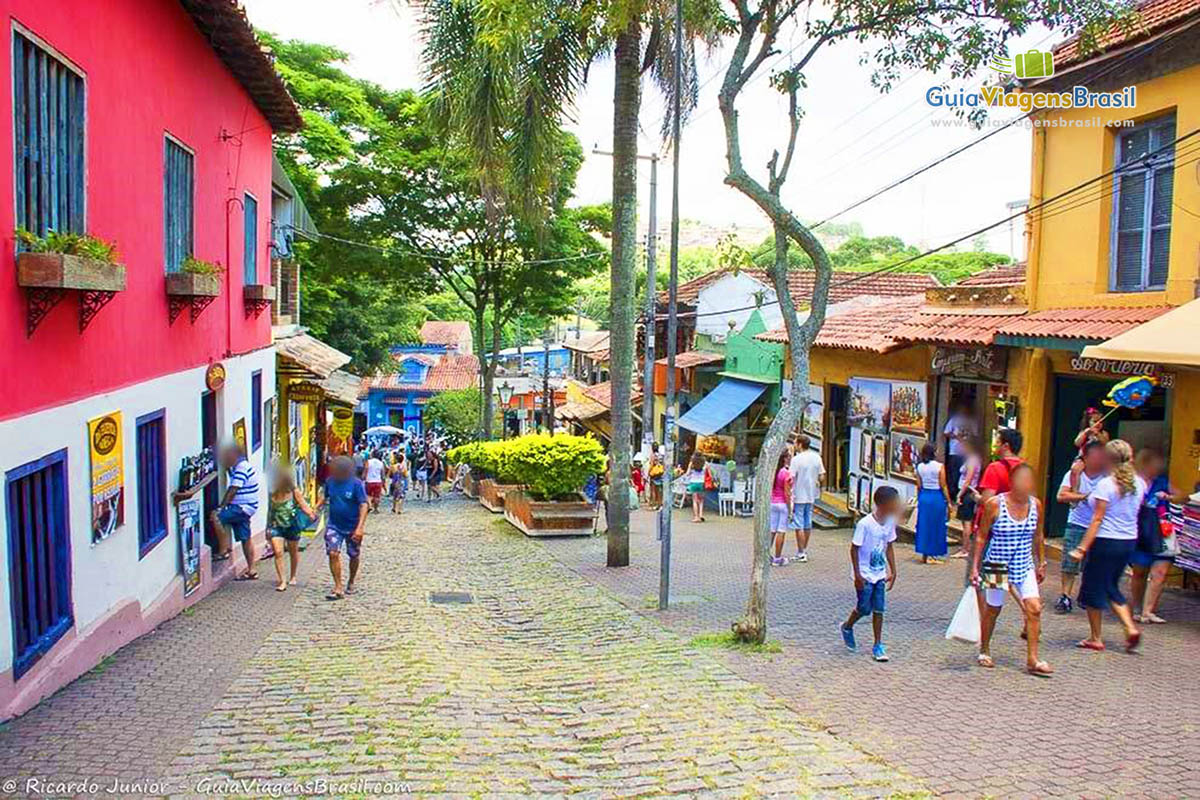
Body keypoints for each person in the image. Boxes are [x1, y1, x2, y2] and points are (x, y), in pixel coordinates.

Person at [970, 463, 1052, 676]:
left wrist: (1041, 562)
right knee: (993, 608)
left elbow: (1038, 535)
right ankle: (985, 648)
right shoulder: (995, 505)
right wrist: (975, 568)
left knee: (1034, 607)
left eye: (1029, 481)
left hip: (1024, 564)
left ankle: (1033, 658)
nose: (1026, 485)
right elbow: (981, 537)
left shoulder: (1036, 505)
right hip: (997, 562)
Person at [1069, 439, 1144, 653]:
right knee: (1110, 585)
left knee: (1093, 587)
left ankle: (1096, 637)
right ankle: (1129, 628)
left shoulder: (1106, 485)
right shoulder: (1138, 483)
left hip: (1105, 541)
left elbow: (1097, 520)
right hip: (1128, 540)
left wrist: (1082, 548)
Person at [839, 485, 899, 662]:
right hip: (865, 573)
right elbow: (854, 549)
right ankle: (848, 626)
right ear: (883, 505)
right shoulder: (865, 524)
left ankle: (878, 644)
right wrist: (857, 575)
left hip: (879, 573)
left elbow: (889, 546)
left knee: (879, 608)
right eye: (893, 503)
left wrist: (893, 570)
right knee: (864, 607)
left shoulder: (889, 523)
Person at [1129, 448, 1183, 624]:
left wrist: (1169, 497)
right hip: (1140, 532)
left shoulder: (1162, 482)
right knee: (1139, 572)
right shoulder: (1133, 483)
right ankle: (1137, 608)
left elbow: (1183, 497)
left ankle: (1148, 611)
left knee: (1160, 572)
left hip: (1162, 531)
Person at [1053, 439, 1108, 613]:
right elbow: (1061, 496)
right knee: (1069, 563)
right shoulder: (1073, 474)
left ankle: (1086, 595)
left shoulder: (1107, 477)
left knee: (1092, 564)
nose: (1098, 460)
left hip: (1099, 526)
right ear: (1085, 457)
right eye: (1095, 456)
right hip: (1077, 522)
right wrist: (1083, 495)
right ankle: (1065, 596)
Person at [317, 456, 368, 601]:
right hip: (334, 524)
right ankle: (338, 586)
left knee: (354, 555)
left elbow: (364, 505)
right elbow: (325, 496)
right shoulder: (330, 482)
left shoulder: (356, 484)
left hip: (352, 526)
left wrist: (360, 527)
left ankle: (351, 580)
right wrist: (315, 508)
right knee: (333, 553)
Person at [209, 442, 261, 581]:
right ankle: (252, 570)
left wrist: (222, 506)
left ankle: (223, 551)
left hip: (242, 507)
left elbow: (233, 489)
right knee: (245, 538)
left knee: (216, 516)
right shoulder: (240, 466)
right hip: (247, 507)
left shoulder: (241, 468)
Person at [266, 465, 316, 592]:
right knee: (278, 552)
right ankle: (282, 580)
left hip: (292, 526)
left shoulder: (294, 492)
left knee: (293, 552)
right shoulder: (272, 493)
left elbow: (303, 504)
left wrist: (311, 514)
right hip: (276, 526)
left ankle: (293, 575)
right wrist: (267, 527)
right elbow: (270, 511)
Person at [788, 434, 825, 564]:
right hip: (811, 494)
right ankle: (804, 549)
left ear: (799, 444)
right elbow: (822, 476)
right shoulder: (816, 457)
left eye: (795, 443)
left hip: (799, 494)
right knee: (807, 522)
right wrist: (816, 483)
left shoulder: (796, 460)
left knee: (798, 524)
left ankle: (801, 552)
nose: (794, 445)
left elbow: (791, 478)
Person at [914, 443, 951, 564]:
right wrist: (949, 501)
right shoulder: (939, 467)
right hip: (936, 497)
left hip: (925, 496)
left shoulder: (920, 467)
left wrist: (919, 498)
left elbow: (919, 485)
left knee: (924, 525)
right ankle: (933, 554)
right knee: (936, 525)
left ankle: (925, 553)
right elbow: (943, 485)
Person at [951, 436, 983, 561]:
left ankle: (966, 548)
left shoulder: (972, 461)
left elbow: (968, 480)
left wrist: (959, 495)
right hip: (968, 491)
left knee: (966, 522)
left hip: (968, 492)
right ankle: (966, 547)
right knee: (966, 522)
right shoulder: (972, 459)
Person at [943, 402, 978, 497]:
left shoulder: (971, 421)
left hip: (966, 452)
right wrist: (956, 436)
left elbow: (975, 435)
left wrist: (967, 439)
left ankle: (960, 494)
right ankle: (953, 494)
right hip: (954, 451)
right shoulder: (954, 420)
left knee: (965, 474)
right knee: (954, 473)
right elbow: (946, 433)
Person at [770, 451, 793, 567]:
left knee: (772, 530)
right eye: (788, 456)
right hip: (782, 504)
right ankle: (778, 558)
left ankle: (766, 555)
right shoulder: (786, 473)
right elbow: (787, 493)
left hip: (772, 503)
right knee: (781, 531)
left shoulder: (773, 471)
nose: (790, 458)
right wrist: (790, 509)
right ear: (784, 458)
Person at [685, 452, 708, 523]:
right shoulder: (705, 464)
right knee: (701, 501)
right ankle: (701, 515)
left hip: (694, 483)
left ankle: (696, 517)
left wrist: (691, 470)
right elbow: (708, 473)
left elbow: (687, 474)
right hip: (701, 483)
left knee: (695, 501)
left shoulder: (692, 463)